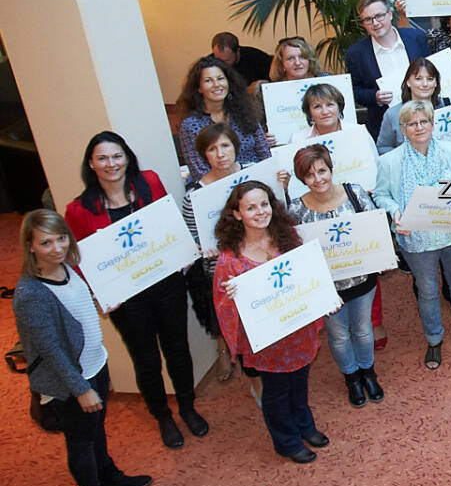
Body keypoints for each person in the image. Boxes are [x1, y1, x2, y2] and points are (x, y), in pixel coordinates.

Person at [64, 132, 209, 449]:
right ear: (91, 164)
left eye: (116, 156)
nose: (110, 163)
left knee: (178, 350)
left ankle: (187, 406)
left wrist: (184, 251)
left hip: (166, 284)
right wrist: (98, 294)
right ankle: (163, 417)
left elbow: (168, 225)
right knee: (145, 360)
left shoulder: (149, 182)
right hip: (127, 299)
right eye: (102, 158)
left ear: (126, 156)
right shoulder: (78, 209)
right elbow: (76, 259)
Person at [15, 209, 153, 486]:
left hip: (94, 365)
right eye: (46, 242)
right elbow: (49, 349)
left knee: (95, 432)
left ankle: (109, 475)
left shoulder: (65, 268)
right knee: (81, 442)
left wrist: (100, 302)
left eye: (61, 238)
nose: (58, 247)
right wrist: (81, 390)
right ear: (30, 246)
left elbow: (74, 310)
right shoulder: (31, 294)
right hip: (70, 382)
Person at [212, 182, 329, 464]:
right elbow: (223, 307)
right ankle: (286, 441)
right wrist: (231, 297)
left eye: (264, 204)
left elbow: (309, 276)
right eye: (250, 207)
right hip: (266, 342)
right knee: (276, 393)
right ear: (237, 214)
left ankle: (305, 425)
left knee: (300, 382)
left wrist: (326, 298)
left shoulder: (288, 237)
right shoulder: (229, 260)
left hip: (297, 331)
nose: (260, 211)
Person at [374, 100, 451, 368]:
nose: (419, 127)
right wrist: (394, 212)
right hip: (416, 237)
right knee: (427, 291)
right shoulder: (389, 161)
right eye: (412, 124)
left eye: (424, 121)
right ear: (403, 129)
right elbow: (381, 194)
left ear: (432, 124)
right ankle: (434, 339)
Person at [286, 144, 384, 409]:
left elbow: (375, 228)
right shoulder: (295, 210)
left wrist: (385, 254)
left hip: (362, 280)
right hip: (325, 288)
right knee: (339, 336)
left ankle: (368, 372)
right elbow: (290, 251)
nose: (318, 179)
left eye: (322, 171)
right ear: (301, 179)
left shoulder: (355, 193)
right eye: (309, 175)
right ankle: (351, 378)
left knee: (363, 330)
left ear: (331, 169)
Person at [180, 123, 245, 383]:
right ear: (203, 155)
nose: (220, 154)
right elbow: (192, 234)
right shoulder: (194, 195)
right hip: (219, 263)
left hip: (258, 257)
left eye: (225, 146)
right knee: (223, 310)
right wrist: (199, 246)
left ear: (235, 147)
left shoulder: (255, 172)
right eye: (212, 149)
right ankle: (224, 349)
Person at [345, 0, 429, 140]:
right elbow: (354, 91)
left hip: (426, 119)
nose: (375, 23)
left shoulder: (417, 38)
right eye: (368, 19)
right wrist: (374, 96)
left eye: (379, 16)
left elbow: (433, 71)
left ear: (390, 14)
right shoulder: (356, 53)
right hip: (387, 126)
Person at [177, 55, 271, 177]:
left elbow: (265, 154)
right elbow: (199, 171)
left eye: (220, 78)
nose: (216, 85)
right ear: (199, 88)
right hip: (219, 188)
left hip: (257, 180)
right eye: (208, 80)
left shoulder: (245, 112)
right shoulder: (190, 125)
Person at [376, 57, 451, 154]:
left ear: (436, 82)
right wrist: (405, 156)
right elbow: (382, 147)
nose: (425, 84)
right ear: (408, 82)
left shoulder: (449, 105)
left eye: (430, 79)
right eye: (418, 79)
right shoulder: (393, 114)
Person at [208, 30, 273, 87]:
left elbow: (272, 79)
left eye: (227, 60)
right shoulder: (208, 65)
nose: (222, 64)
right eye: (218, 60)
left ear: (237, 51)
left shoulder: (256, 57)